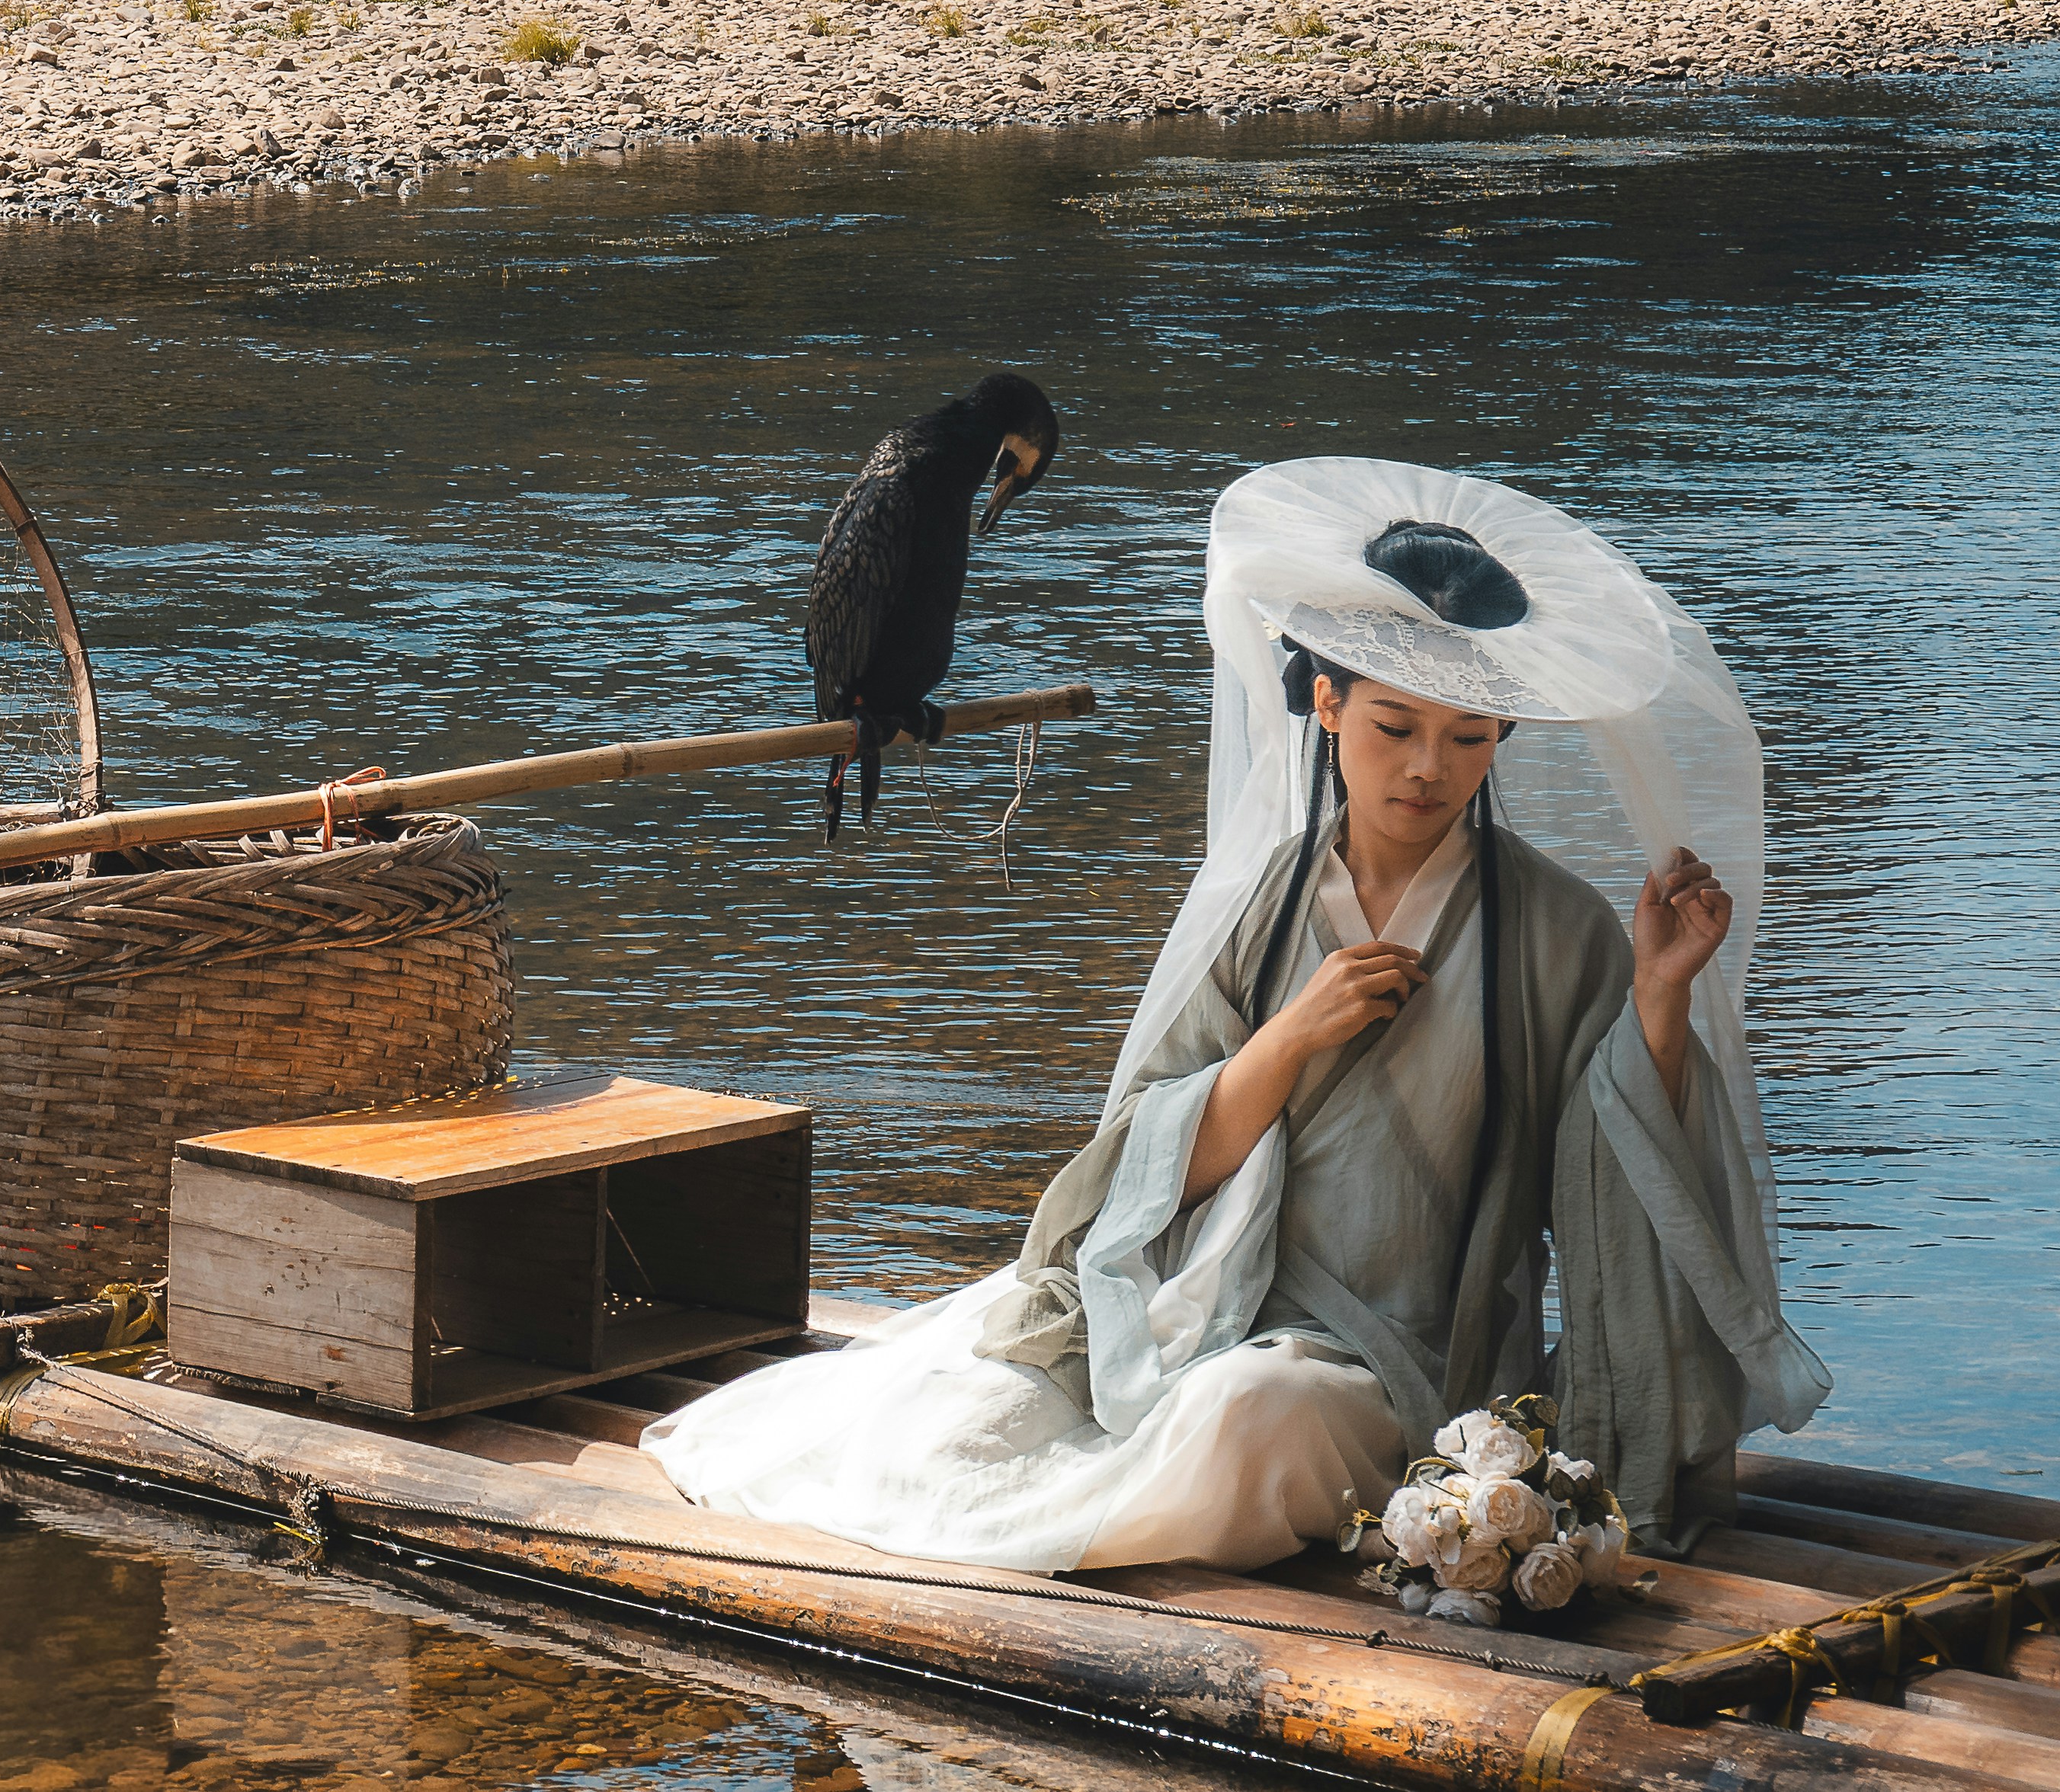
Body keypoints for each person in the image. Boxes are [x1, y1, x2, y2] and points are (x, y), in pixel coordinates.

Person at [646, 461, 1829, 1573]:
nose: (1428, 767)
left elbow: (1612, 1181)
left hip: (1407, 1359)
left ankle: (1088, 1517)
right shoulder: (1257, 907)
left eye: (1468, 737)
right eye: (1394, 726)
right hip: (1207, 1296)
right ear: (1326, 701)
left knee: (1248, 1414)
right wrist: (1289, 1037)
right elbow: (1137, 1176)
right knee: (978, 1383)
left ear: (1500, 736)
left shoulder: (1559, 929)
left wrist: (1659, 998)